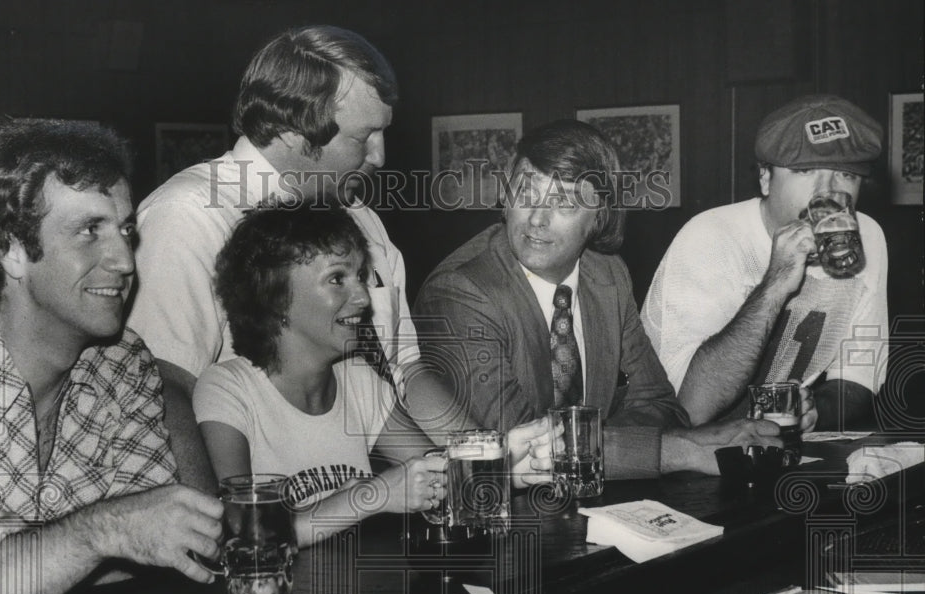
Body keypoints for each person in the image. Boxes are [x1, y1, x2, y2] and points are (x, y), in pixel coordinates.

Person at [127, 25, 482, 492]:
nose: (380, 154)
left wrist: (482, 462)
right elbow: (164, 395)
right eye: (364, 136)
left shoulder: (360, 218)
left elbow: (406, 370)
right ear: (294, 133)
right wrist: (227, 532)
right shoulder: (189, 216)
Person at [0, 120, 223, 594]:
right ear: (11, 250)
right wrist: (101, 533)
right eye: (90, 231)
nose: (126, 261)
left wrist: (16, 555)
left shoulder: (123, 365)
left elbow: (166, 553)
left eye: (126, 230)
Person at [415, 120, 787, 477]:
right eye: (525, 194)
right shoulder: (460, 292)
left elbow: (660, 404)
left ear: (599, 218)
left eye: (564, 203)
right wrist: (679, 451)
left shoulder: (607, 274)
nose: (537, 220)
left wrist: (594, 444)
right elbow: (527, 452)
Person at [193, 204, 550, 547]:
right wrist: (372, 496)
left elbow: (435, 481)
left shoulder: (359, 380)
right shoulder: (227, 389)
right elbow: (243, 531)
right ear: (275, 297)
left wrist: (500, 464)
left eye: (361, 276)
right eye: (337, 279)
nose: (363, 297)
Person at [641, 94, 885, 429]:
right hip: (672, 447)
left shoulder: (867, 237)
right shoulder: (711, 237)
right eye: (805, 170)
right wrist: (775, 283)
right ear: (766, 179)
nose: (826, 193)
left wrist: (814, 413)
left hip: (768, 449)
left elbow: (858, 380)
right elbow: (690, 409)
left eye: (846, 175)